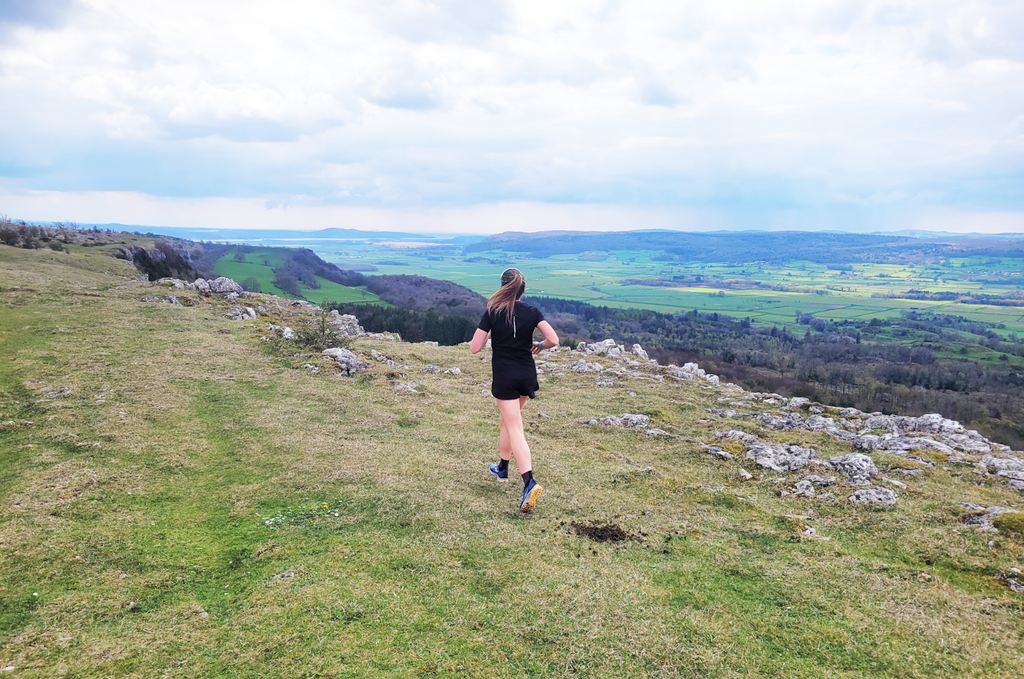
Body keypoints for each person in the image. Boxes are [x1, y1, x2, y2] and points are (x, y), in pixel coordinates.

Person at [470, 268, 558, 512]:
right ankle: (502, 467)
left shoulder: (493, 311)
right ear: (522, 290)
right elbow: (554, 340)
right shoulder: (532, 312)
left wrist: (491, 333)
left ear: (503, 286)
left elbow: (475, 348)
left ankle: (529, 482)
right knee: (507, 422)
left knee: (514, 427)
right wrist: (539, 345)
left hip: (505, 378)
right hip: (526, 376)